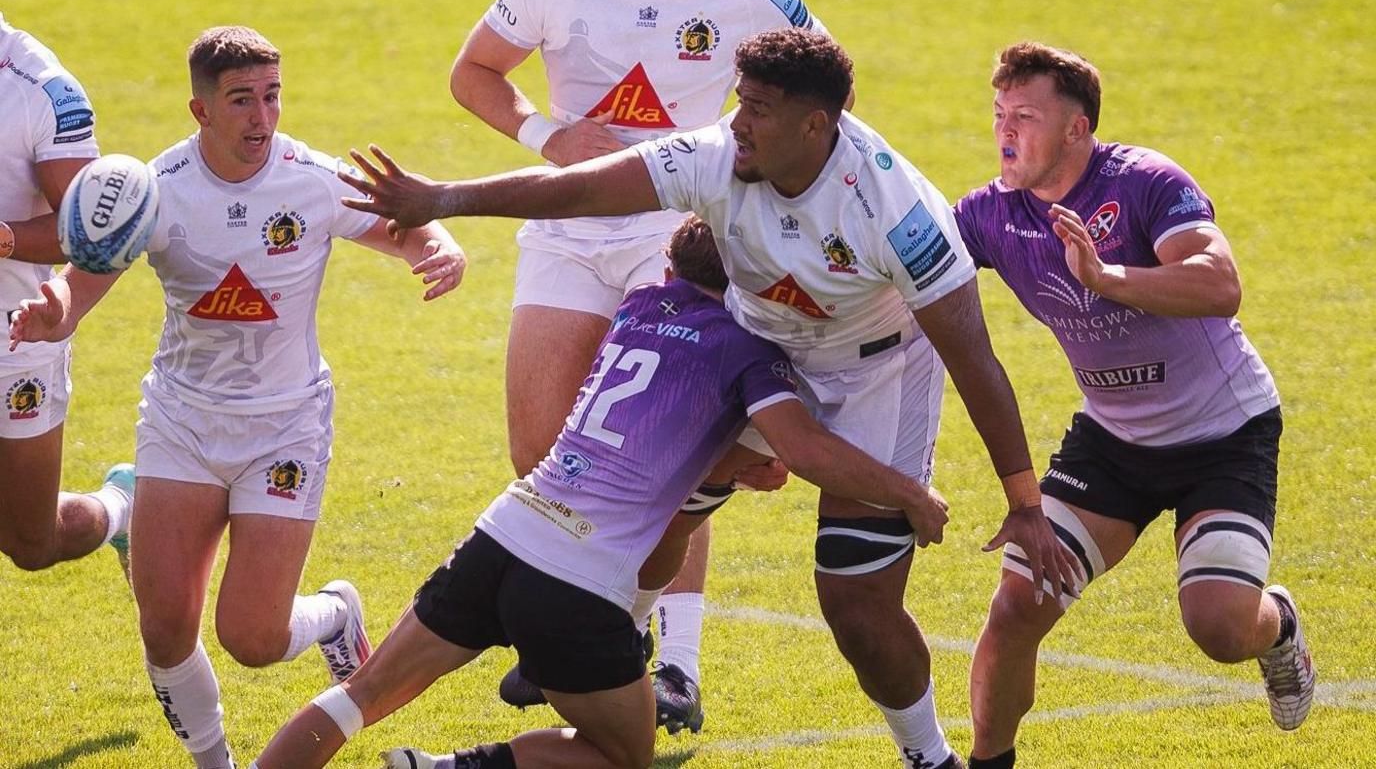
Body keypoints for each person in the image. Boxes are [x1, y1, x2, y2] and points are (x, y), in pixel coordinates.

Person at [337, 28, 1080, 769]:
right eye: (739, 100)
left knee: (855, 603)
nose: (736, 120)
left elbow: (974, 357)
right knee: (661, 507)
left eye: (756, 108)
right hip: (761, 347)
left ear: (815, 125)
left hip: (875, 373)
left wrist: (1022, 502)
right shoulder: (718, 153)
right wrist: (447, 198)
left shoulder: (900, 213)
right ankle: (622, 645)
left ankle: (929, 756)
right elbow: (585, 187)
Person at [250, 215, 951, 769]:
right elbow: (803, 449)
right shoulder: (750, 352)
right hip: (576, 584)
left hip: (503, 531)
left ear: (669, 266)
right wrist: (909, 495)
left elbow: (662, 425)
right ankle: (454, 768)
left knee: (359, 697)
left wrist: (733, 461)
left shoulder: (638, 303)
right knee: (622, 753)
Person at [9, 26, 467, 769]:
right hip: (183, 422)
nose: (262, 117)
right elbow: (79, 288)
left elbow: (405, 229)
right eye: (242, 100)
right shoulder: (155, 192)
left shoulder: (309, 179)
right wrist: (51, 312)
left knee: (251, 640)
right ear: (200, 111)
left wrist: (438, 247)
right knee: (164, 629)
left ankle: (332, 616)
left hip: (284, 428)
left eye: (272, 97)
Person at [449, 0, 837, 725]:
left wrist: (740, 163)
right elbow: (473, 70)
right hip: (569, 226)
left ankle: (674, 666)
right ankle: (598, 631)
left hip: (684, 232)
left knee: (675, 457)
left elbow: (827, 90)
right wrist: (547, 135)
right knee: (538, 449)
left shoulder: (756, 1)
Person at [951, 42, 1314, 768]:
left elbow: (1220, 284)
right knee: (1018, 605)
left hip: (1224, 434)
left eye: (1025, 115)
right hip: (1112, 441)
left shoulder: (1146, 182)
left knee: (1216, 627)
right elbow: (907, 267)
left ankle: (1277, 630)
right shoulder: (991, 214)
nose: (1005, 131)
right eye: (999, 114)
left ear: (1077, 129)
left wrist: (1110, 277)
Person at [0, 14, 134, 576]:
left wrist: (3, 239)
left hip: (16, 341)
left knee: (31, 543)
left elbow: (90, 230)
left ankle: (124, 506)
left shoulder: (41, 90)